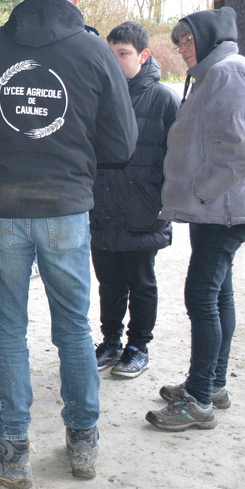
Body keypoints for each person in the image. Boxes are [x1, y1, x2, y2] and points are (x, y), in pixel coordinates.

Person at [0, 0, 137, 489]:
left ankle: (12, 454)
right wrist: (72, 149)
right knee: (74, 329)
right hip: (64, 210)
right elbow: (122, 145)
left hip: (3, 209)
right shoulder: (94, 51)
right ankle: (82, 443)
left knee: (8, 330)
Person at [146, 7, 245, 432]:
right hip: (217, 209)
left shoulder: (228, 73)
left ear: (209, 38)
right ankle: (212, 385)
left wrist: (200, 190)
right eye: (179, 41)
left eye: (188, 40)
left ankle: (199, 400)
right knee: (219, 295)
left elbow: (241, 148)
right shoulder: (214, 73)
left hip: (223, 209)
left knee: (201, 296)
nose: (183, 48)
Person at [91, 21, 179, 379]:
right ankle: (110, 342)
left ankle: (138, 347)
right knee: (109, 282)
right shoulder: (97, 96)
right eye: (110, 55)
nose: (115, 61)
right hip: (102, 210)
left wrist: (161, 203)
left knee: (141, 283)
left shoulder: (164, 100)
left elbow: (177, 161)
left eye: (123, 54)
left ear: (143, 56)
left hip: (142, 212)